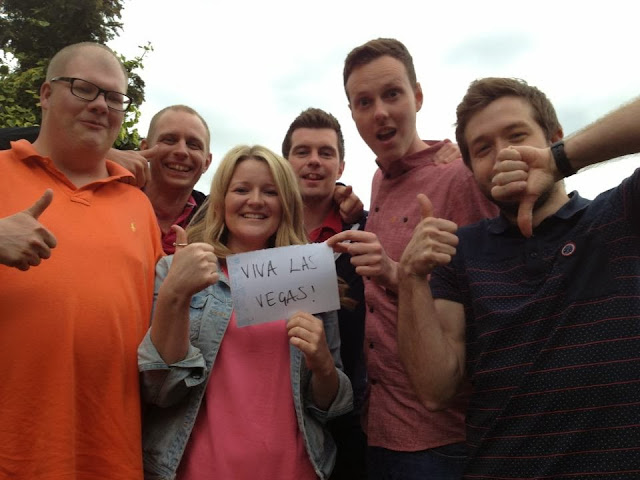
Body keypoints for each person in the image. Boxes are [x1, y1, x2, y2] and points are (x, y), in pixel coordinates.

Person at [397, 77, 640, 478]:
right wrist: (410, 278)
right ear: (471, 169)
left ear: (554, 136)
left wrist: (559, 160)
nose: (503, 154)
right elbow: (436, 390)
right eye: (482, 149)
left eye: (517, 135)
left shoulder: (621, 214)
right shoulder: (460, 252)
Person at [327, 38, 498, 479]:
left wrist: (392, 273)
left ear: (418, 96)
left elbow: (495, 298)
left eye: (392, 94)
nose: (380, 112)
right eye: (364, 102)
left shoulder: (460, 176)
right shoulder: (377, 181)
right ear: (353, 114)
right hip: (377, 426)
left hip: (441, 439)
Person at [138, 145, 353, 479]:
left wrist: (323, 364)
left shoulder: (308, 275)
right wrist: (175, 295)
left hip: (295, 470)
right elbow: (158, 390)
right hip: (198, 470)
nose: (255, 201)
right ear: (221, 200)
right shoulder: (175, 269)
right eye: (241, 189)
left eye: (270, 192)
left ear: (286, 203)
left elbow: (329, 407)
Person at [0, 42, 163, 479]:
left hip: (109, 458)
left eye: (113, 97)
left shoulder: (139, 206)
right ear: (46, 94)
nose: (100, 105)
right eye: (83, 89)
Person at [282, 107, 367, 479]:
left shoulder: (365, 234)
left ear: (341, 167)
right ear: (285, 164)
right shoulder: (254, 236)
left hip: (351, 424)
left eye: (325, 153)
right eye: (302, 152)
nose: (314, 161)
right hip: (272, 423)